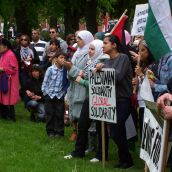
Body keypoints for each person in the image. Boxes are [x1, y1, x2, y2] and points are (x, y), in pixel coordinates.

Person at [94, 35, 134, 169]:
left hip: (123, 101)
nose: (102, 46)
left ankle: (126, 158)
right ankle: (125, 160)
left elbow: (117, 76)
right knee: (119, 131)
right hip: (112, 101)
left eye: (105, 43)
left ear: (114, 45)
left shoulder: (123, 58)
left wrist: (102, 69)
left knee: (116, 132)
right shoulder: (107, 61)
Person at [64, 39, 103, 159]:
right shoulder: (91, 61)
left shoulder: (101, 63)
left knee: (100, 127)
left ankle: (101, 155)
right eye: (89, 48)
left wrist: (82, 81)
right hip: (89, 97)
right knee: (82, 124)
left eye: (92, 49)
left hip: (100, 98)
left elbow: (98, 84)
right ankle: (79, 151)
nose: (89, 51)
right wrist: (83, 75)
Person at [63, 30, 94, 141]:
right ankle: (75, 131)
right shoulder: (77, 52)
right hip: (73, 86)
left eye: (80, 39)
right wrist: (69, 68)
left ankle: (84, 137)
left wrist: (70, 68)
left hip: (82, 87)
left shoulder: (89, 54)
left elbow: (84, 73)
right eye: (77, 38)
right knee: (72, 109)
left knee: (81, 112)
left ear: (86, 40)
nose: (77, 40)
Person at [42, 52, 69, 137]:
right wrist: (45, 93)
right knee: (50, 114)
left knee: (59, 114)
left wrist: (64, 93)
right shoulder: (50, 69)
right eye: (61, 57)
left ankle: (59, 131)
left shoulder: (65, 70)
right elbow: (45, 82)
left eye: (64, 58)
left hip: (60, 95)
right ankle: (50, 131)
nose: (63, 59)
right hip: (49, 95)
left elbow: (67, 82)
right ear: (56, 59)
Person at [132, 40, 154, 138]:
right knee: (142, 133)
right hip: (141, 104)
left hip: (148, 105)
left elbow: (151, 85)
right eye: (139, 50)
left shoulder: (153, 66)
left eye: (143, 50)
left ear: (149, 51)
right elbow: (141, 84)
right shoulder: (143, 65)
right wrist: (136, 82)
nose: (139, 53)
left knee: (148, 134)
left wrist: (140, 75)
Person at [0, 39, 20, 121]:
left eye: (0, 47)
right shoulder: (4, 54)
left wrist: (3, 69)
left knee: (8, 98)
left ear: (5, 47)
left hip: (9, 79)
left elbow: (14, 69)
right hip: (4, 78)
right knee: (3, 97)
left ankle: (11, 116)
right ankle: (4, 114)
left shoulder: (10, 55)